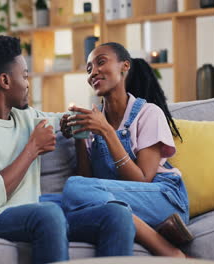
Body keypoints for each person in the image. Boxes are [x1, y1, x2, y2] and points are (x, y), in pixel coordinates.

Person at [0, 36, 136, 264]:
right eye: (25, 76)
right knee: (48, 212)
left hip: (37, 215)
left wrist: (78, 123)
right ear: (5, 81)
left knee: (117, 214)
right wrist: (32, 148)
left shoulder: (26, 117)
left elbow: (70, 119)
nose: (28, 84)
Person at [60, 42, 193, 257]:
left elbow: (141, 180)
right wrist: (79, 136)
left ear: (125, 66)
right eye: (88, 69)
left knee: (74, 187)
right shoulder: (93, 123)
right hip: (120, 202)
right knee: (47, 204)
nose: (93, 72)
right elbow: (89, 182)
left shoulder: (149, 113)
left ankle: (169, 251)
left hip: (163, 199)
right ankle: (132, 221)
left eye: (101, 62)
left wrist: (107, 131)